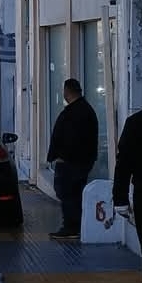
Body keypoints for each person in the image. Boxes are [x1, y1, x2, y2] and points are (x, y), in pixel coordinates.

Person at [46, 78, 99, 239]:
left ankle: (71, 227)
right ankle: (75, 225)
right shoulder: (86, 110)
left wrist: (62, 157)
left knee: (67, 193)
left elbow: (70, 138)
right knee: (74, 193)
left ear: (67, 91)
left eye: (64, 91)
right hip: (82, 161)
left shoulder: (74, 113)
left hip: (71, 163)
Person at [112, 109, 142, 233]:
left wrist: (120, 199)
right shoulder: (135, 122)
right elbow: (124, 163)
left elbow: (123, 163)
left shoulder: (135, 122)